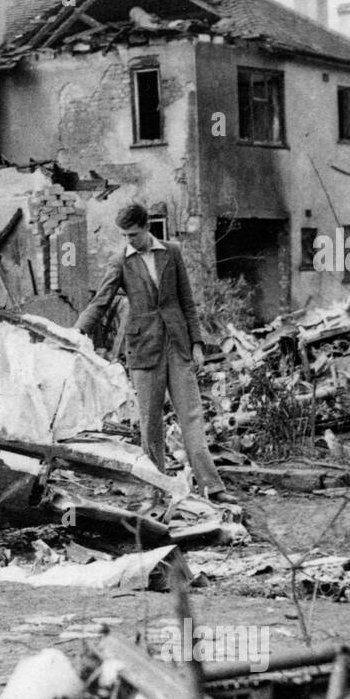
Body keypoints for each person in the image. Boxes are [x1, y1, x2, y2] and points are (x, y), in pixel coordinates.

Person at [74, 202, 236, 504]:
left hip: (177, 345)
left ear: (147, 227)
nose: (128, 241)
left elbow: (186, 300)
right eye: (123, 235)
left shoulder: (171, 252)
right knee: (151, 423)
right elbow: (101, 301)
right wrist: (77, 331)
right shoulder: (120, 260)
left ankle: (212, 486)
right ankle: (156, 489)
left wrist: (197, 342)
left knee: (192, 416)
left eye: (133, 234)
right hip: (143, 349)